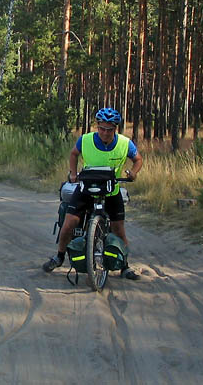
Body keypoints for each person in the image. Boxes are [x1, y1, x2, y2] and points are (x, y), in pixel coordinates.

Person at [42, 107, 143, 280]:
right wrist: (73, 174)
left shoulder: (125, 143)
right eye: (102, 128)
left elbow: (138, 159)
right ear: (97, 126)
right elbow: (74, 154)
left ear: (115, 128)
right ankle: (59, 256)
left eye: (109, 129)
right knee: (68, 223)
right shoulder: (86, 140)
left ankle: (124, 266)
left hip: (112, 191)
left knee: (118, 229)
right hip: (85, 190)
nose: (105, 133)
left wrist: (133, 173)